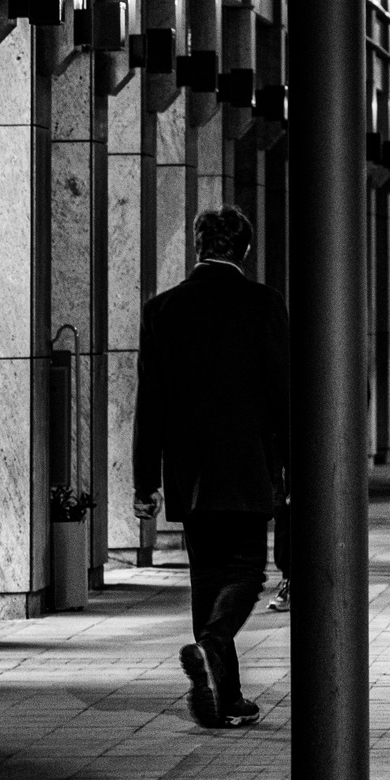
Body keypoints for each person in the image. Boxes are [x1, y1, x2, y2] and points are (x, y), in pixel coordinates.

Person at [133, 205, 290, 731]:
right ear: (244, 249)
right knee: (247, 571)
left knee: (206, 576)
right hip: (246, 462)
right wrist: (295, 466)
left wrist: (144, 482)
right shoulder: (263, 304)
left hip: (189, 470)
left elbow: (150, 404)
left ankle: (227, 697)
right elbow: (283, 394)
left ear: (197, 247)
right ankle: (213, 644)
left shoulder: (162, 310)